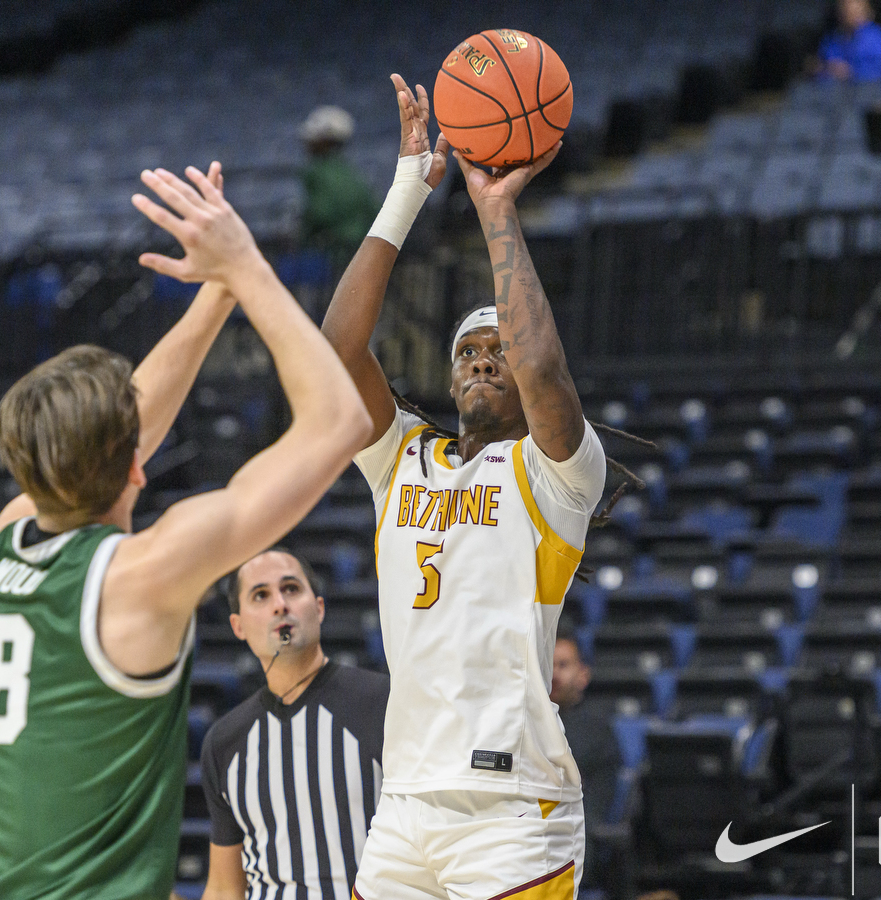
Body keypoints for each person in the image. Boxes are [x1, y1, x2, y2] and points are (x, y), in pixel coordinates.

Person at [0, 162, 371, 899]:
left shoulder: (4, 540)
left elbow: (116, 435)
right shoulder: (141, 575)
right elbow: (339, 423)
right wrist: (246, 266)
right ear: (138, 470)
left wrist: (215, 296)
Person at [320, 73, 646, 900]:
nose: (484, 359)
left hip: (513, 808)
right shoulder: (403, 460)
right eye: (468, 352)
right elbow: (337, 351)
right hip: (403, 803)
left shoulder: (559, 471)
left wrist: (495, 209)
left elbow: (542, 366)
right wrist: (406, 191)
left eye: (496, 348)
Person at [198, 548, 389, 900]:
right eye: (261, 595)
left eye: (291, 589)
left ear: (319, 608)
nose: (279, 605)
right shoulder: (224, 742)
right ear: (238, 626)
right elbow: (225, 888)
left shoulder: (384, 702)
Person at [550, 629, 622, 892]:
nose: (554, 673)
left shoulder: (596, 728)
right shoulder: (529, 723)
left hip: (576, 845)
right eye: (548, 664)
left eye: (563, 665)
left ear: (583, 674)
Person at [300, 105, 381, 274]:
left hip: (334, 254)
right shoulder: (352, 173)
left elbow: (320, 213)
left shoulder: (317, 172)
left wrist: (303, 237)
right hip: (360, 251)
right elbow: (373, 209)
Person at [815, 0, 881, 83]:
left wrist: (852, 72)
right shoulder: (832, 39)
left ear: (866, 12)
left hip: (872, 90)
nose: (849, 15)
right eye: (845, 11)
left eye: (854, 11)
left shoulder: (876, 36)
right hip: (837, 91)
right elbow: (824, 67)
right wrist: (821, 69)